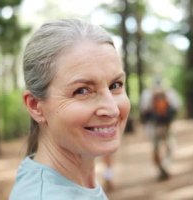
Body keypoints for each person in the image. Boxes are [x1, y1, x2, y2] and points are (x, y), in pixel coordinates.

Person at [9, 19, 131, 200]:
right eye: (82, 90)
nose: (112, 109)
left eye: (115, 85)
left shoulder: (71, 182)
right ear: (35, 106)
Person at [140, 77, 182, 181]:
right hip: (167, 125)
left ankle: (160, 168)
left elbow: (144, 109)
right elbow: (177, 106)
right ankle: (166, 165)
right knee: (169, 147)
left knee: (155, 148)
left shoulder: (147, 94)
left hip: (153, 125)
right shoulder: (170, 92)